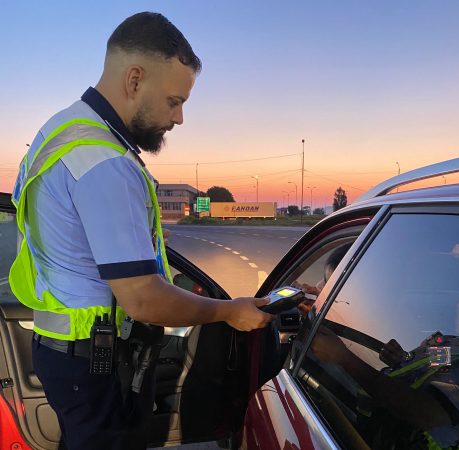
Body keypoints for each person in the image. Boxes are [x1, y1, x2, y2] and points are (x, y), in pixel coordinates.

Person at [9, 12, 272, 450]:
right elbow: (144, 299)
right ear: (134, 80)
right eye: (174, 101)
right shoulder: (105, 162)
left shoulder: (60, 131)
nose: (179, 117)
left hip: (60, 348)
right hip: (97, 362)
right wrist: (228, 311)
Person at [311, 314, 459, 448]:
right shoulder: (457, 344)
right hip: (367, 419)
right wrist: (401, 360)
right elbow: (426, 366)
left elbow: (425, 414)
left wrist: (342, 357)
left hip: (391, 440)